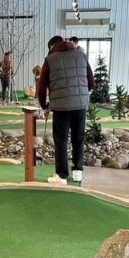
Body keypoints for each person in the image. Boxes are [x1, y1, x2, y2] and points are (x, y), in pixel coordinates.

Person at [37, 35, 95, 185]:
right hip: (80, 105)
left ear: (52, 46)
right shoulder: (81, 55)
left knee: (61, 141)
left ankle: (62, 175)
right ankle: (78, 172)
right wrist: (81, 95)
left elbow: (41, 88)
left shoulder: (50, 59)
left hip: (61, 108)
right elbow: (91, 82)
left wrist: (44, 106)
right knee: (78, 138)